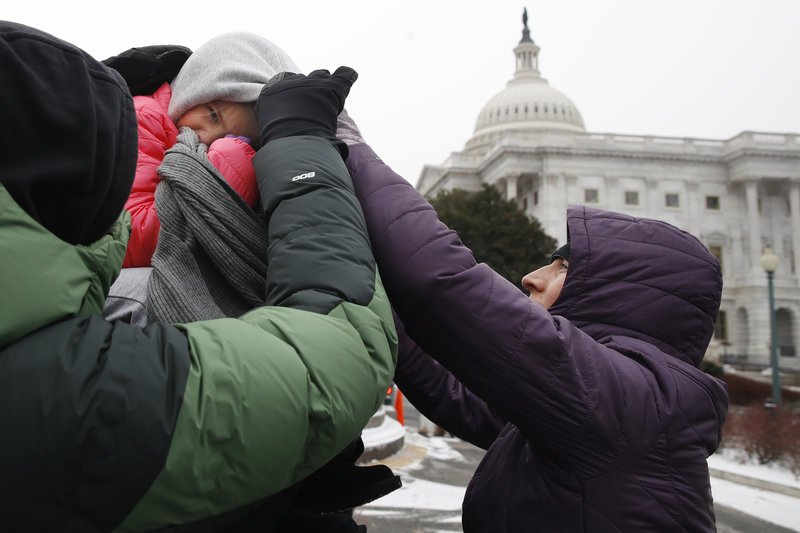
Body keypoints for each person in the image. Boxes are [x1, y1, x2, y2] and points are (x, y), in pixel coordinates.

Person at [0, 21, 396, 532]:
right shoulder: (146, 121)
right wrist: (251, 161)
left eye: (234, 130)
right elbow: (133, 230)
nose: (212, 133)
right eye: (209, 114)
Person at [338, 122, 729, 529]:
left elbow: (441, 282)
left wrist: (350, 148)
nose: (531, 277)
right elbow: (449, 390)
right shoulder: (595, 406)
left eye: (564, 267)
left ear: (624, 299)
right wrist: (367, 283)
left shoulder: (627, 402)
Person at [121, 32, 299, 268]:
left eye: (234, 138)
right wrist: (228, 165)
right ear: (193, 89)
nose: (206, 138)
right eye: (213, 116)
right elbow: (129, 238)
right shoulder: (144, 116)